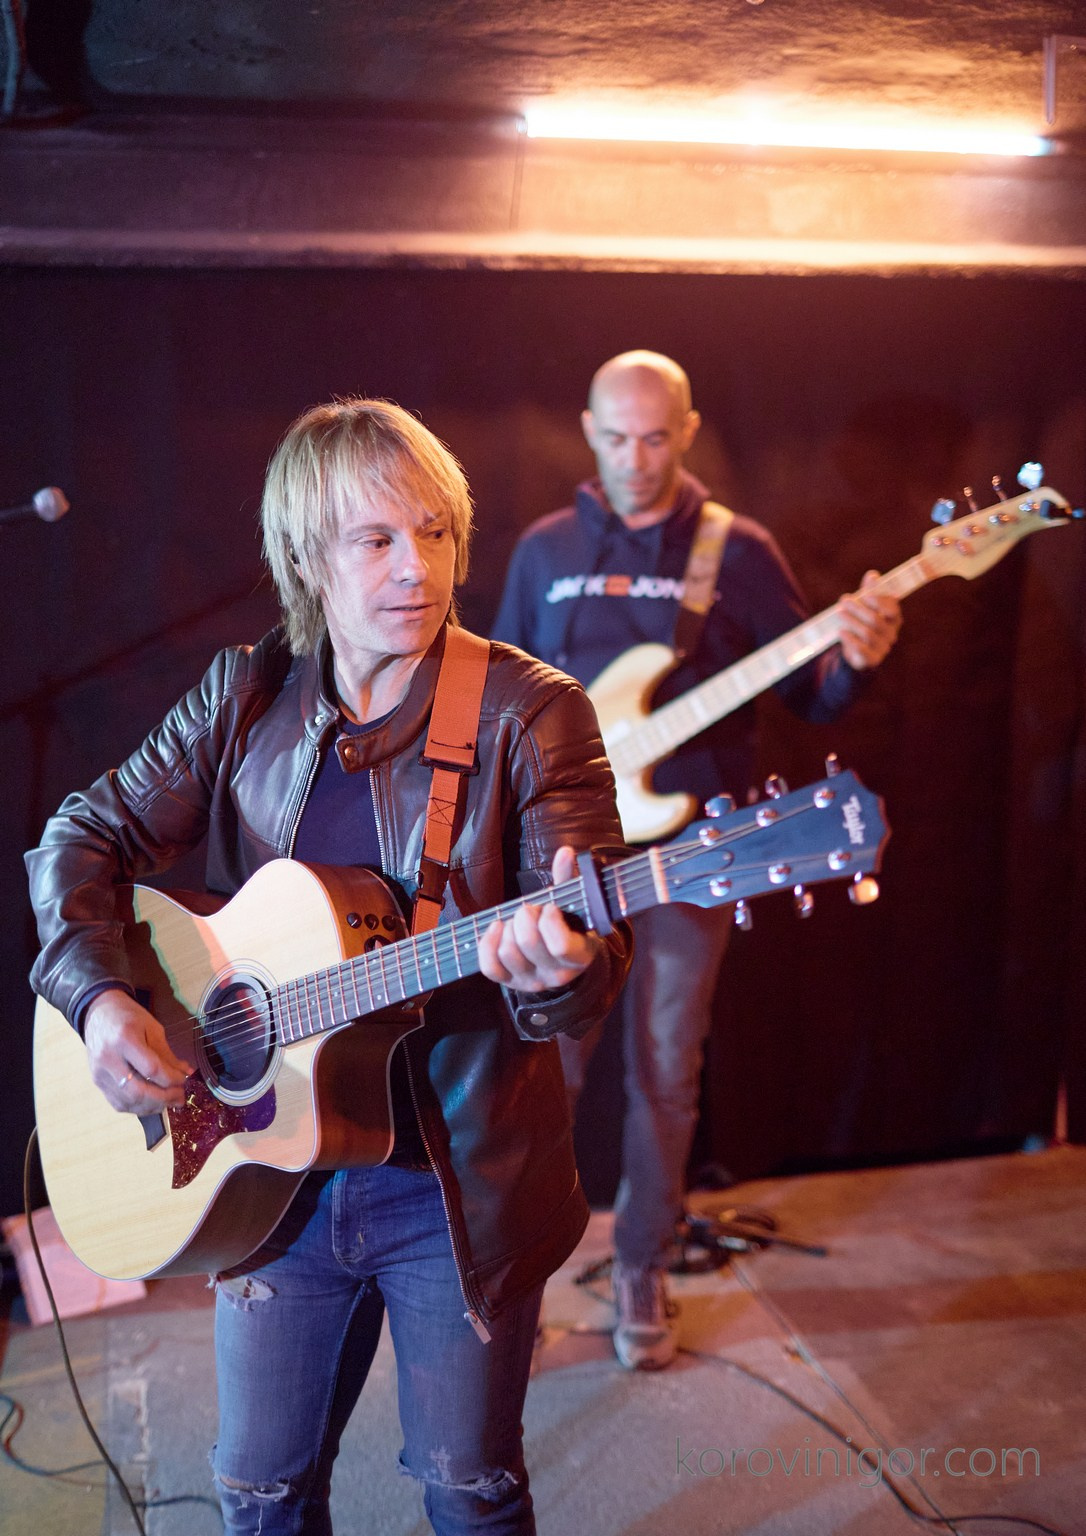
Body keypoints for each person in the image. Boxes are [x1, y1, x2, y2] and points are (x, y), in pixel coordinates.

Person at [25, 397, 633, 1535]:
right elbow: (78, 837)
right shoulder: (245, 695)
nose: (420, 567)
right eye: (378, 539)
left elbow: (594, 945)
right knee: (257, 1497)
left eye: (437, 533)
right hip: (269, 1174)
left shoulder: (529, 714)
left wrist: (555, 970)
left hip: (454, 1187)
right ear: (306, 556)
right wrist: (100, 997)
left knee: (470, 1495)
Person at [491, 350, 902, 1371]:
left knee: (665, 1074)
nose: (637, 458)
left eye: (658, 436)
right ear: (588, 431)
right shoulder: (544, 551)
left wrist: (851, 661)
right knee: (548, 1076)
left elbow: (807, 696)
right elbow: (499, 706)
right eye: (618, 437)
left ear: (689, 429)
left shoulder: (738, 550)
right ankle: (524, 1272)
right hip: (565, 867)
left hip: (691, 860)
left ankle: (642, 1267)